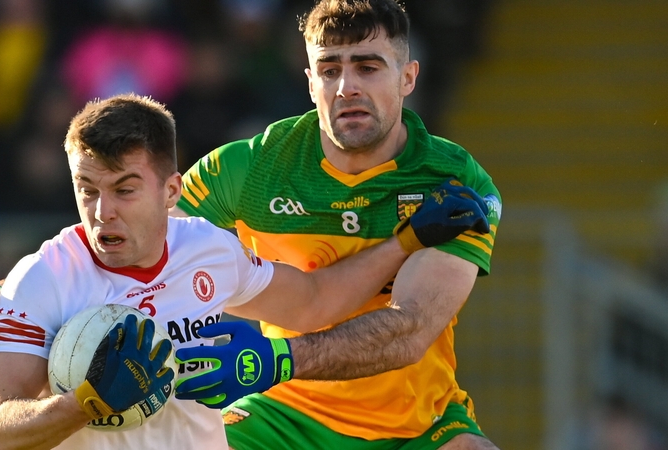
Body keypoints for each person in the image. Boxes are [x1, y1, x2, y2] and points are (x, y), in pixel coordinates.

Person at [0, 93, 488, 449]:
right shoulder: (45, 279)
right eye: (87, 191)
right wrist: (85, 403)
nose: (102, 212)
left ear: (171, 193)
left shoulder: (207, 249)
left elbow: (314, 301)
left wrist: (406, 241)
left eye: (124, 190)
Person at [171, 1, 503, 449]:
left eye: (368, 67)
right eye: (329, 70)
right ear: (310, 83)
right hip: (282, 415)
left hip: (419, 427)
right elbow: (153, 250)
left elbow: (410, 330)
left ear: (408, 78)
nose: (346, 87)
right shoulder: (250, 167)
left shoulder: (454, 182)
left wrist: (271, 359)